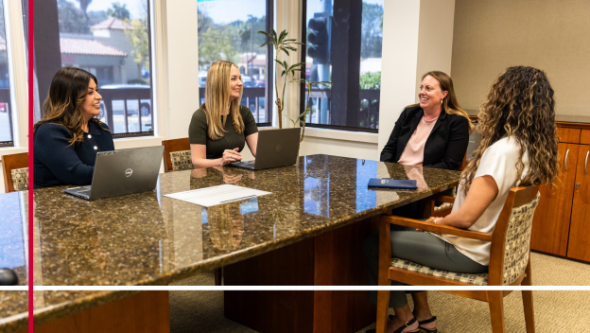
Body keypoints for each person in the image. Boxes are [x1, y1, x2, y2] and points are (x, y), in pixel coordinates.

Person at [363, 66, 560, 333]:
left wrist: (435, 220)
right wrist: (442, 216)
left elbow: (466, 218)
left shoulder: (501, 152)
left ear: (505, 101)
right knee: (405, 228)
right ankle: (424, 314)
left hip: (469, 251)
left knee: (376, 239)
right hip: (490, 248)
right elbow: (484, 207)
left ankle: (403, 318)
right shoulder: (527, 148)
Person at [382, 71, 473, 218]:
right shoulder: (409, 113)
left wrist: (413, 176)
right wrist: (395, 174)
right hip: (396, 178)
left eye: (428, 88)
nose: (422, 92)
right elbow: (388, 150)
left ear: (444, 94)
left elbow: (450, 164)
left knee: (401, 204)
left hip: (430, 183)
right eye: (421, 87)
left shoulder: (456, 122)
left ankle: (392, 236)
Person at [33, 67, 114, 189]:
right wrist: (123, 172)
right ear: (71, 97)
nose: (99, 97)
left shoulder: (102, 129)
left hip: (93, 199)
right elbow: (75, 174)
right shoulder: (49, 131)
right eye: (90, 92)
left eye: (96, 90)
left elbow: (110, 168)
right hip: (56, 204)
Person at [189, 60, 258, 168]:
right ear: (219, 83)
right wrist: (221, 161)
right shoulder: (200, 117)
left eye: (239, 78)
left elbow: (258, 151)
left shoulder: (244, 113)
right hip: (209, 179)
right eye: (234, 79)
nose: (240, 83)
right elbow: (197, 161)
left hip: (235, 177)